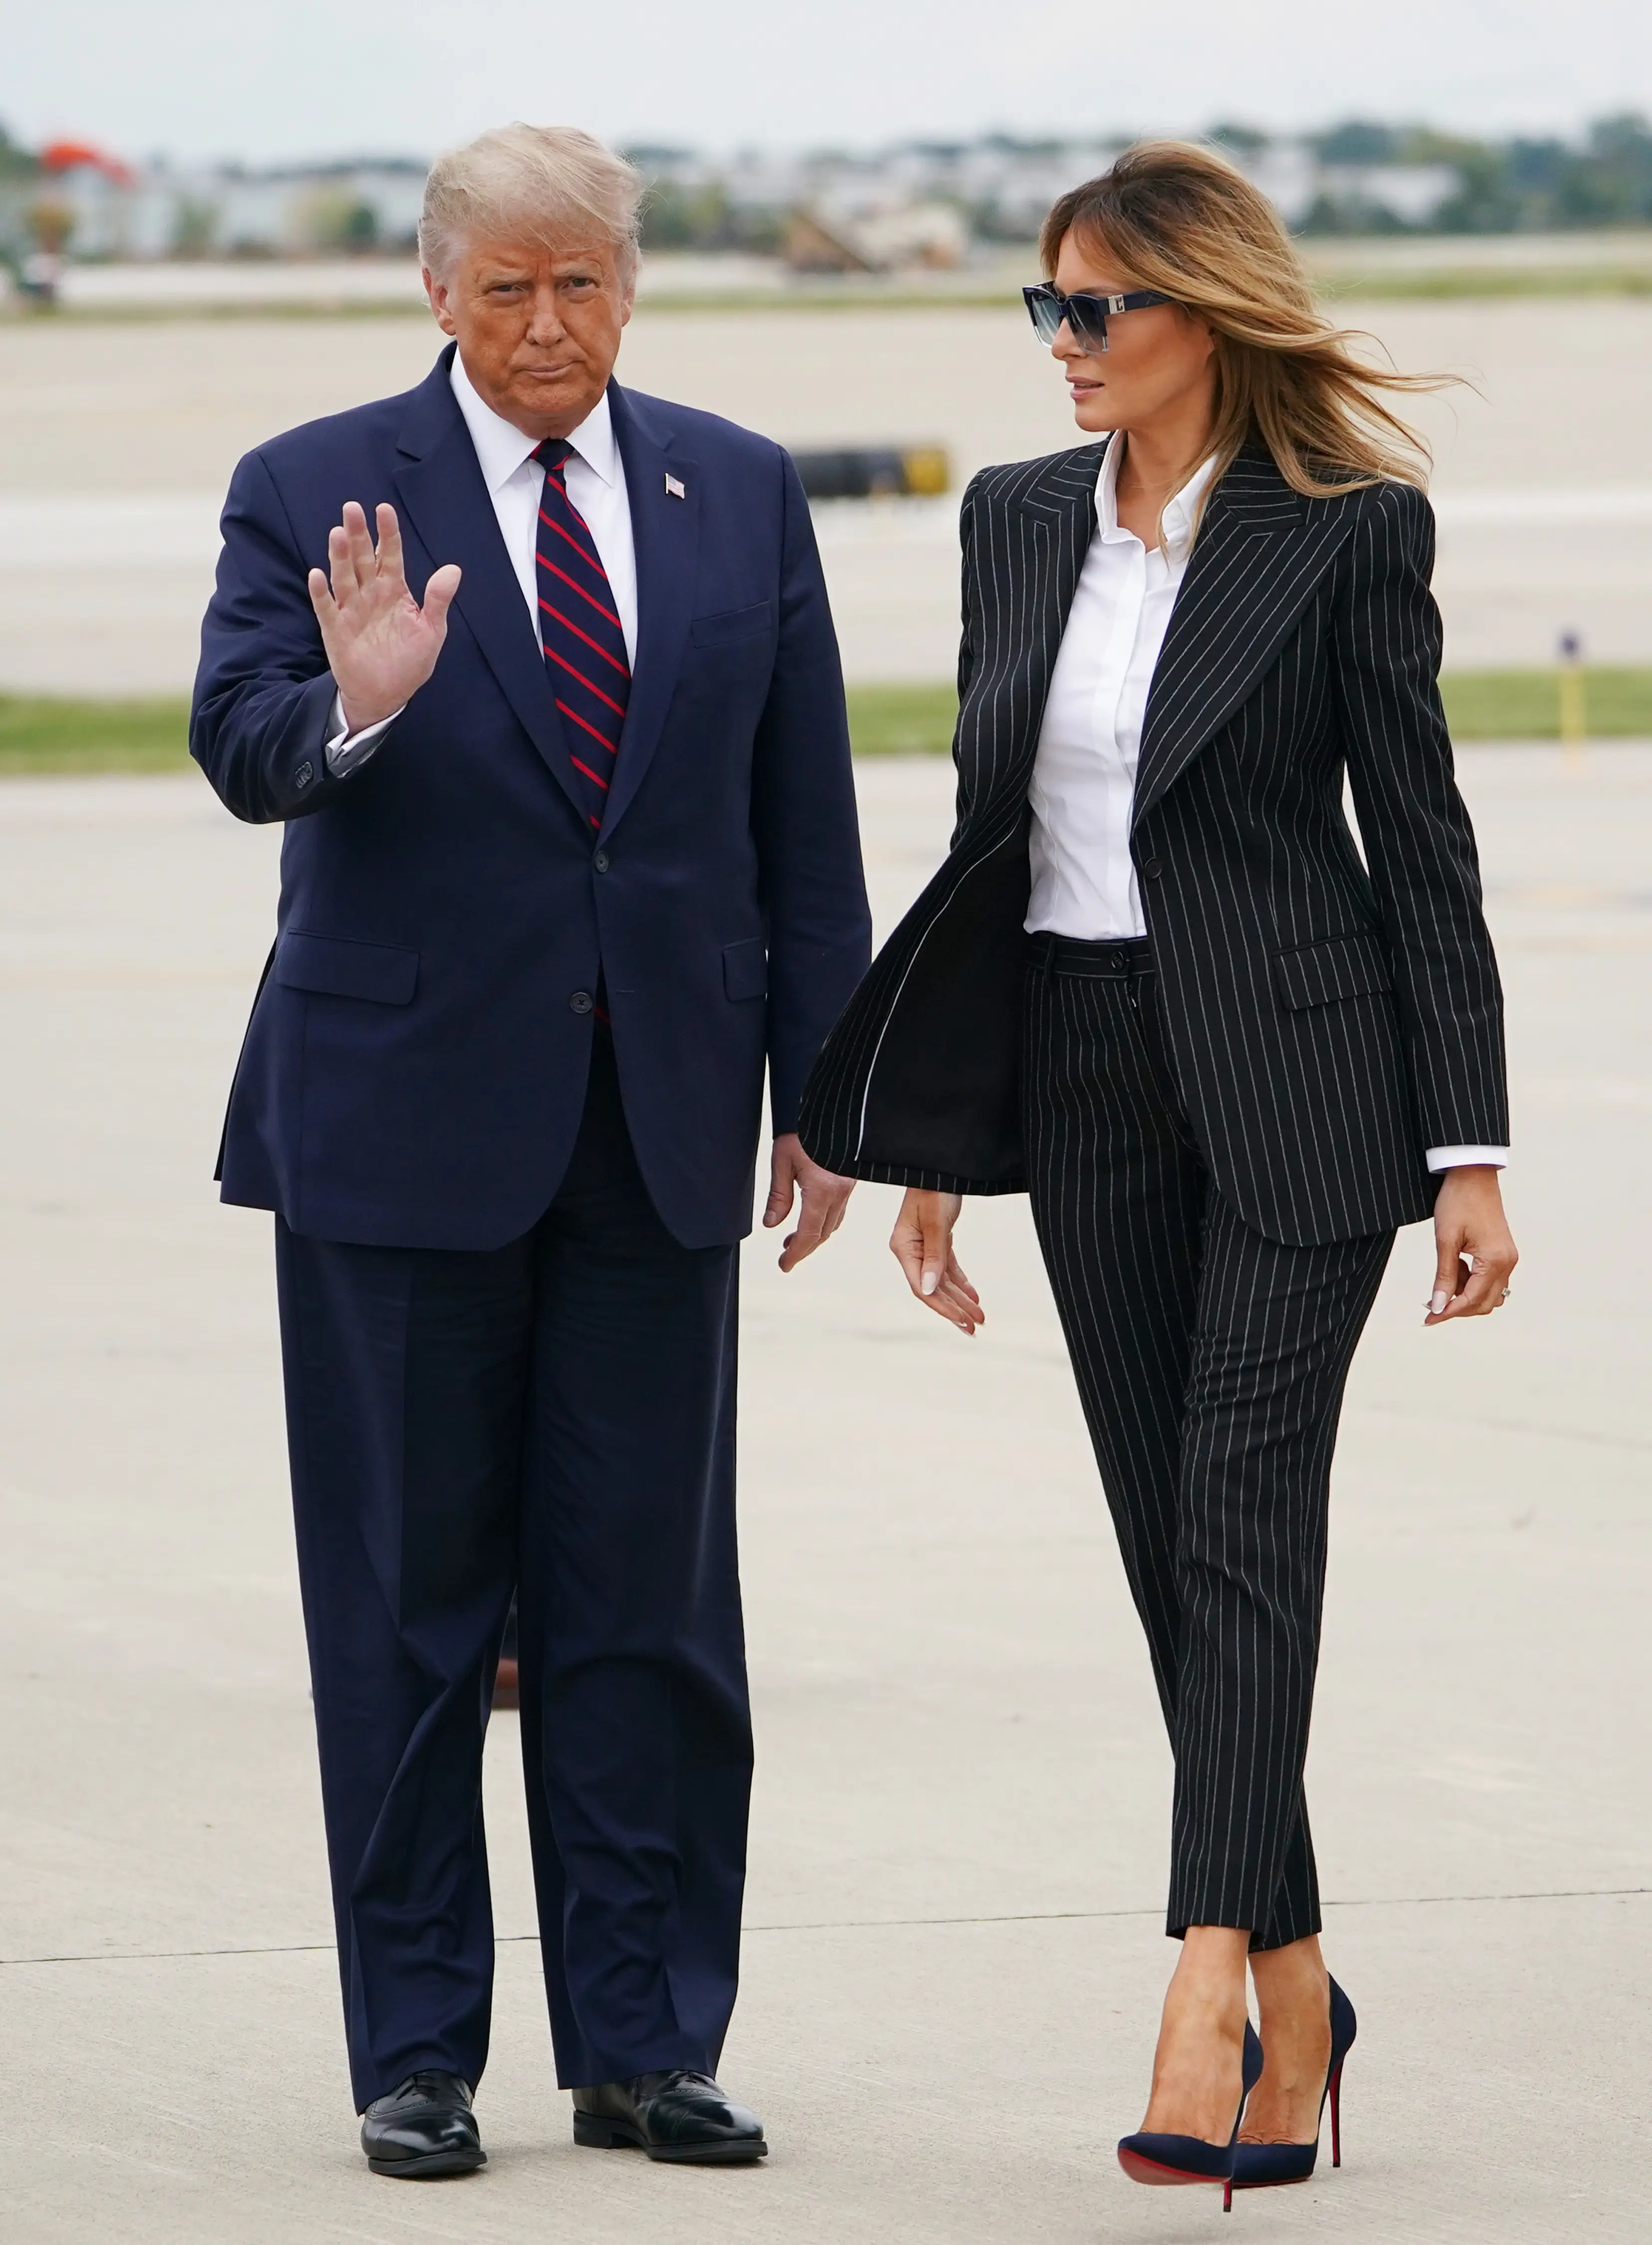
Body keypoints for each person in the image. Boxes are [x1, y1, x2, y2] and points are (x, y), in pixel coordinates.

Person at [799, 141, 1516, 2205]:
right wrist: (943, 1132)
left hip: (1304, 1087)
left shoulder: (1348, 533)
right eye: (1047, 308)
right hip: (1087, 1070)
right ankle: (1305, 1977)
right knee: (1164, 1543)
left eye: (1096, 309)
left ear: (1208, 316)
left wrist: (1468, 1150)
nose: (1064, 346)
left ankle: (1208, 1984)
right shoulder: (1018, 521)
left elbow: (1425, 850)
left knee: (1236, 1505)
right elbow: (983, 825)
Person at [192, 123, 870, 2180]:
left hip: (660, 1122)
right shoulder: (313, 488)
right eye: (507, 286)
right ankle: (418, 2053)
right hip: (400, 1138)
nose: (548, 320)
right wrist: (362, 707)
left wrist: (827, 1090)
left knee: (648, 1609)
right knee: (406, 1606)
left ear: (630, 281)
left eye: (581, 279)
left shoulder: (738, 488)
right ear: (436, 291)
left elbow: (802, 816)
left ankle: (647, 2041)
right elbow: (242, 743)